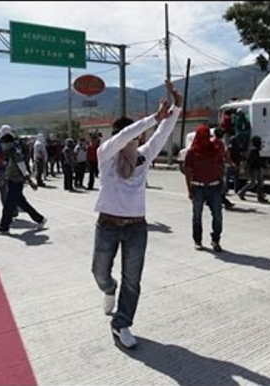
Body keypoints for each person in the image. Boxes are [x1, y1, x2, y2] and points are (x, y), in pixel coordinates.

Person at [91, 80, 182, 349]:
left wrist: (176, 107)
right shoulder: (105, 155)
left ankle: (121, 323)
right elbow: (123, 137)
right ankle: (109, 289)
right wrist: (154, 117)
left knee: (133, 280)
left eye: (136, 136)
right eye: (128, 135)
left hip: (136, 228)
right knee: (99, 272)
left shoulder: (144, 155)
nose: (134, 139)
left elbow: (163, 133)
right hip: (106, 225)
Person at [0, 128, 47, 234]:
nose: (2, 146)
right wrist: (6, 179)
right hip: (12, 180)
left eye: (3, 143)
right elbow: (10, 168)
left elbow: (23, 167)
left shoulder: (15, 153)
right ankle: (40, 219)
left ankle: (4, 228)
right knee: (22, 203)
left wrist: (30, 181)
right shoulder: (10, 153)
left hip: (16, 182)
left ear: (8, 143)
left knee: (9, 205)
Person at [185, 125, 225, 252]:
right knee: (197, 216)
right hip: (198, 187)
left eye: (207, 136)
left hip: (215, 187)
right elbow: (188, 172)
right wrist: (189, 190)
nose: (205, 139)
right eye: (203, 137)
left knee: (218, 216)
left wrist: (222, 182)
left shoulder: (215, 149)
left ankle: (216, 240)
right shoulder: (192, 152)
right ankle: (197, 240)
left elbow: (221, 165)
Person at [238, 135, 268, 203]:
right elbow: (255, 160)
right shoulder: (254, 150)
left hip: (257, 168)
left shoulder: (255, 150)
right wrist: (263, 165)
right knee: (252, 183)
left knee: (260, 182)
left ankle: (260, 196)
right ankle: (241, 192)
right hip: (253, 168)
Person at [212, 128, 236, 210]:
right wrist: (231, 163)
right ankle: (225, 201)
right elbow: (225, 155)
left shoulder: (218, 142)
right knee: (220, 185)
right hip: (216, 167)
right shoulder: (217, 143)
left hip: (216, 167)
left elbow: (225, 155)